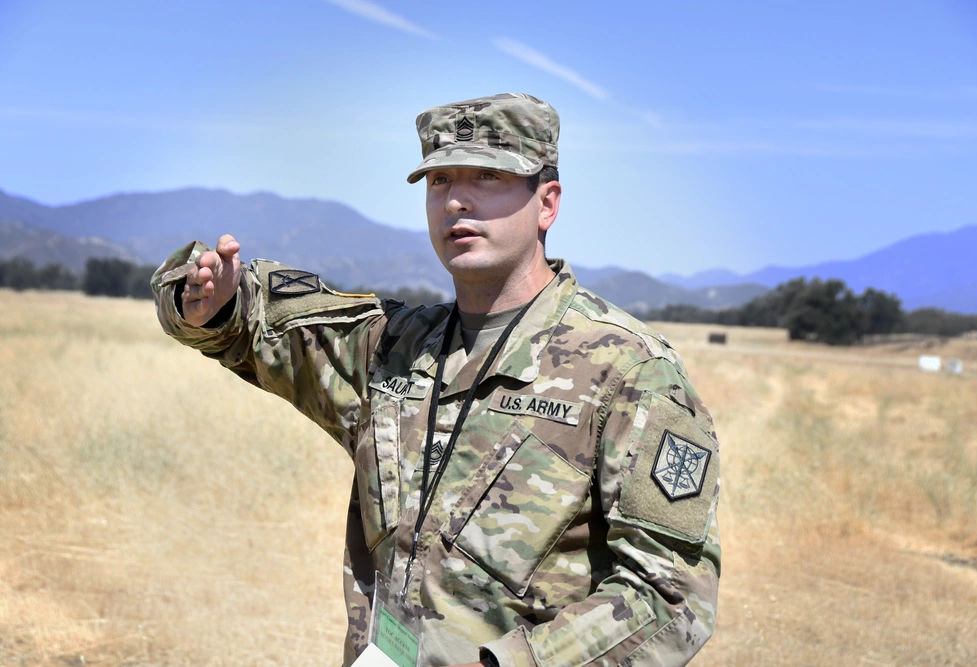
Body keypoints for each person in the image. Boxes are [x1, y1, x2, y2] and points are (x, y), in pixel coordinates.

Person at [152, 92, 721, 666]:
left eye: (488, 178)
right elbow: (258, 325)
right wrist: (211, 301)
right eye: (439, 180)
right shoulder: (395, 348)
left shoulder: (629, 373)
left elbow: (670, 599)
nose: (456, 201)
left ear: (547, 203)